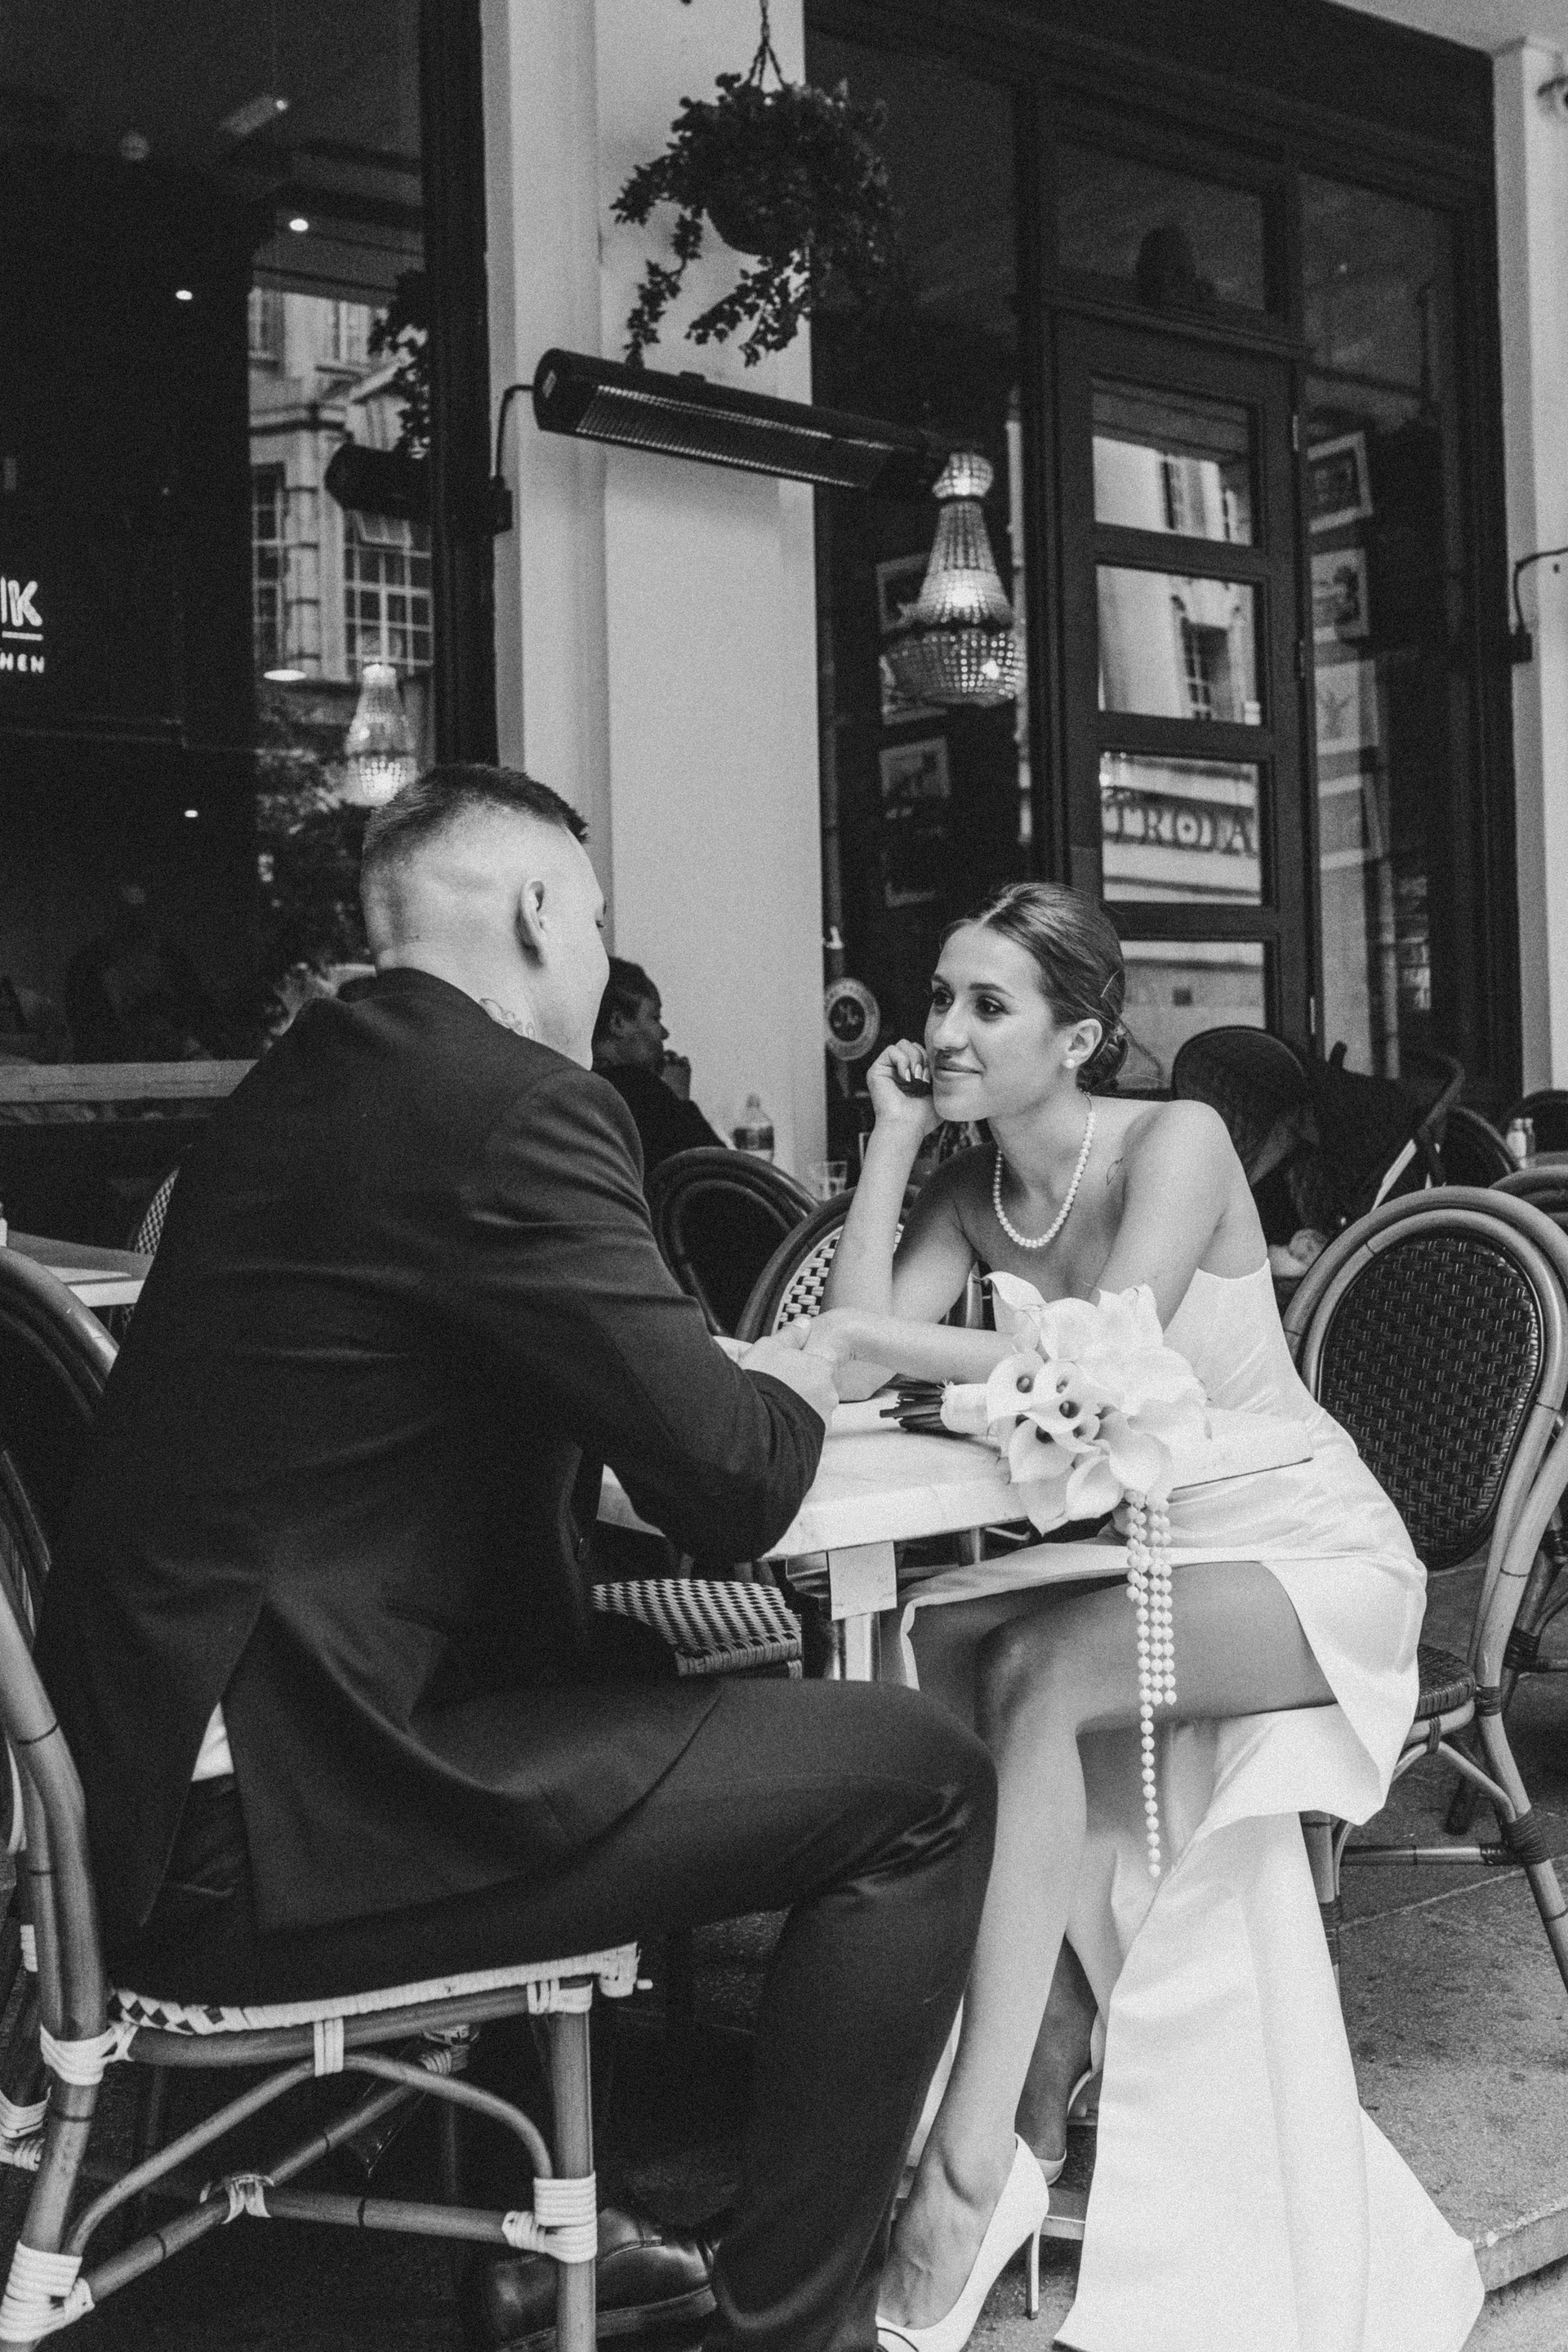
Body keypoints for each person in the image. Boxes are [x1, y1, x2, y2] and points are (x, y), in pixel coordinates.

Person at [35, 764, 998, 2352]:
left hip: (136, 1796)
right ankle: (780, 2323)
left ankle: (537, 2237)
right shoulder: (516, 1107)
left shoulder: (300, 1089)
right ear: (544, 915)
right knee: (922, 1778)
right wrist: (802, 1376)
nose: (606, 955)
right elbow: (737, 1486)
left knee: (626, 1658)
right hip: (268, 1820)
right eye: (600, 919)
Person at [803, 881, 1484, 2352]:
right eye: (940, 999)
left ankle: (970, 2166)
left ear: (1080, 1038)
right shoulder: (970, 1188)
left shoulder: (1178, 1141)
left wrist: (867, 1333)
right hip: (1157, 1551)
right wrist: (893, 1141)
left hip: (1305, 1546)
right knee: (933, 1639)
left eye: (989, 1005)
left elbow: (1095, 1355)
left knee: (1038, 1673)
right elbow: (850, 1364)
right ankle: (1042, 2070)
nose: (947, 1030)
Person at [592, 956, 724, 1178]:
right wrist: (679, 1101)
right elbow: (726, 1177)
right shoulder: (641, 1090)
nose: (664, 1033)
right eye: (655, 1018)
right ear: (618, 1023)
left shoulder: (574, 1083)